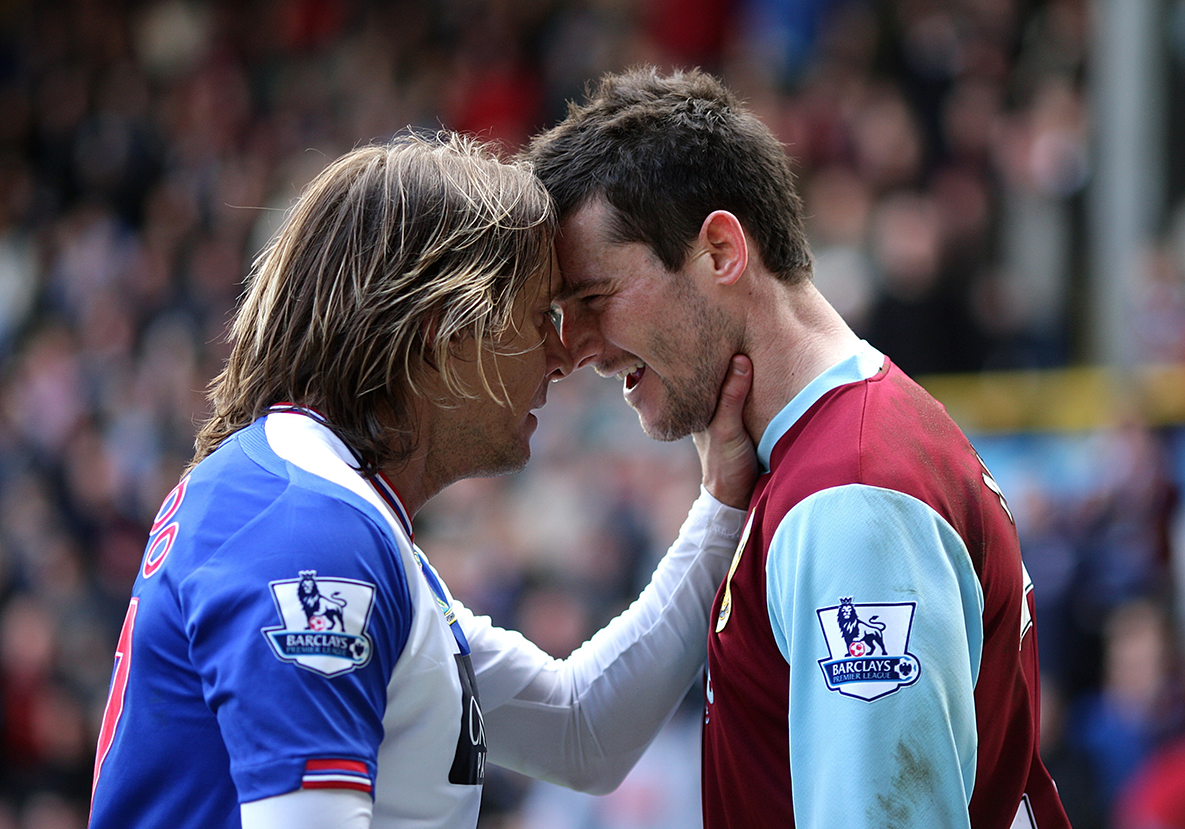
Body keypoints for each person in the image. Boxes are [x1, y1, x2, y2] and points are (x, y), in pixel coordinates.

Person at [87, 132, 757, 829]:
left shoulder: (319, 504)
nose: (563, 355)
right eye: (539, 319)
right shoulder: (310, 527)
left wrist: (721, 504)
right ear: (447, 329)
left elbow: (580, 730)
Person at [525, 67, 1072, 828]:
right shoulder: (841, 443)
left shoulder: (848, 491)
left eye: (591, 299)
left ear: (719, 250)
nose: (578, 346)